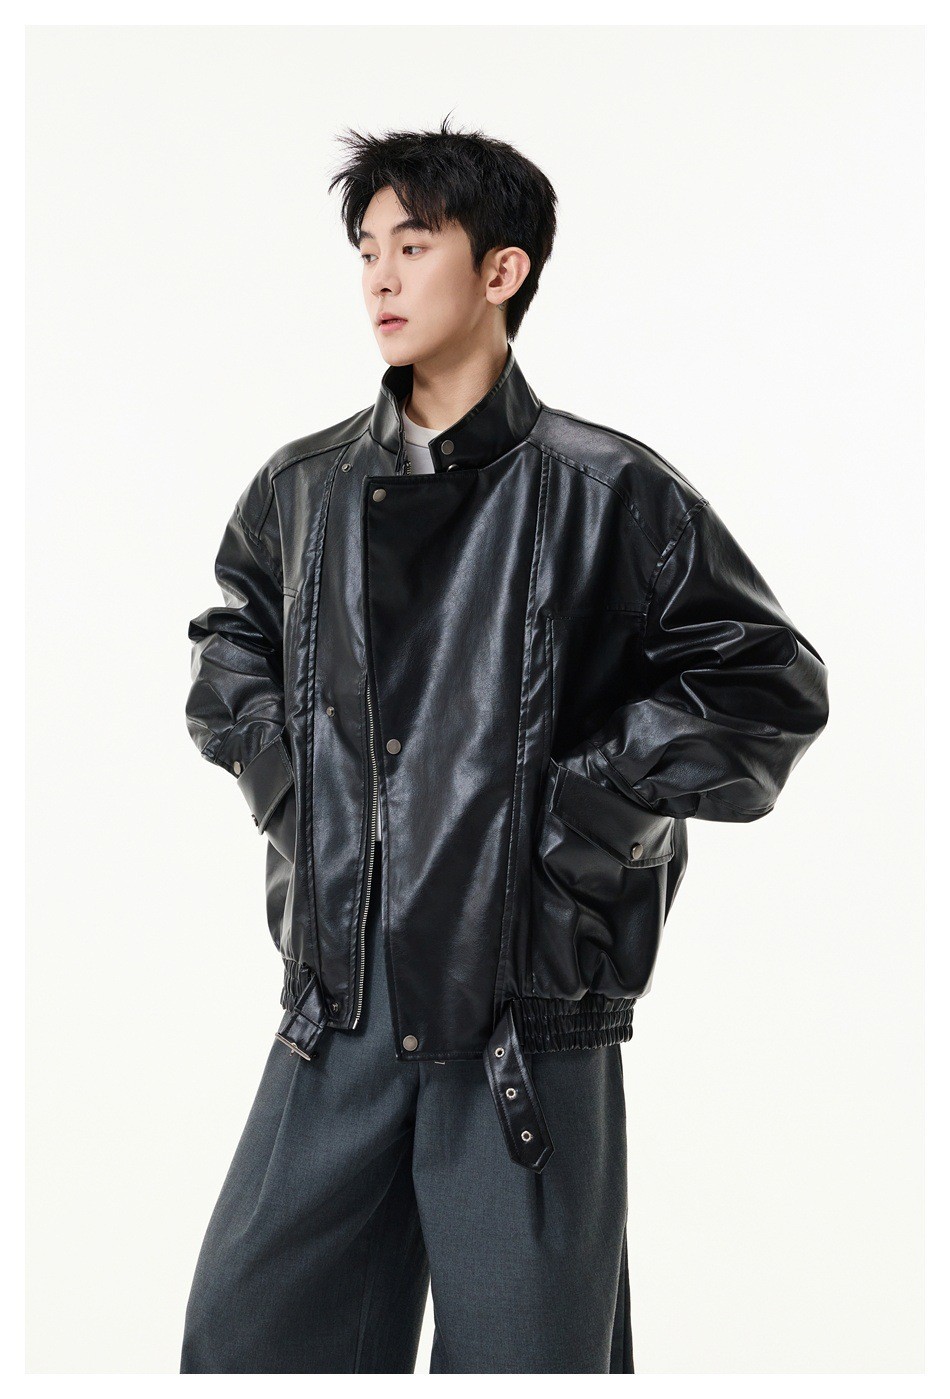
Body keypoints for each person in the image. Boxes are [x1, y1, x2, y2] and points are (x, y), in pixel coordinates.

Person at [178, 116, 830, 1374]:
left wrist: (571, 817)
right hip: (336, 1007)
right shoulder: (301, 488)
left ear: (500, 269)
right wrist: (297, 784)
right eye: (366, 248)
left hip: (521, 1018)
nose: (378, 276)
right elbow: (229, 646)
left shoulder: (605, 489)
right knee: (247, 1339)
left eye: (412, 244)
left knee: (528, 1364)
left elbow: (764, 685)